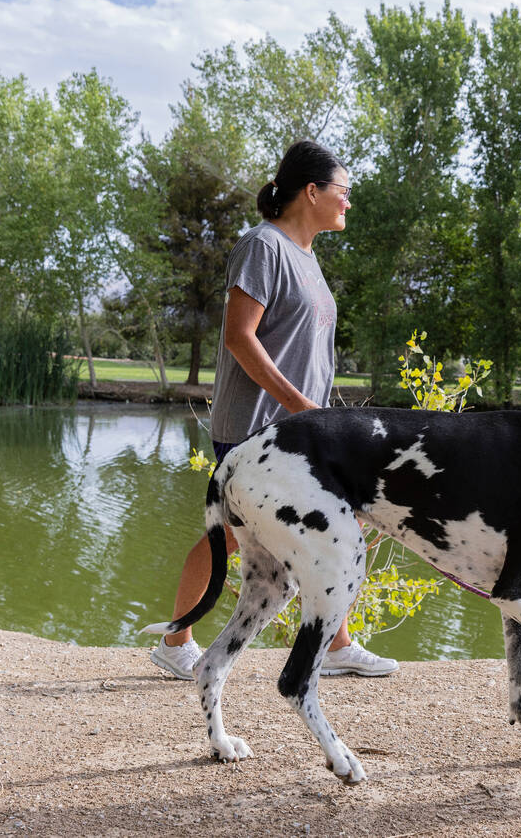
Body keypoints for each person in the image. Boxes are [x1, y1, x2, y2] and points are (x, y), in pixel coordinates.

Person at [150, 140, 397, 681]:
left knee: (336, 525)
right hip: (257, 429)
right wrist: (303, 408)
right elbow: (240, 337)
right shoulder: (264, 247)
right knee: (234, 535)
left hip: (303, 431)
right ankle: (177, 641)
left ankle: (335, 645)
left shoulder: (306, 258)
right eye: (343, 191)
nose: (348, 202)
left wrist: (322, 418)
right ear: (312, 191)